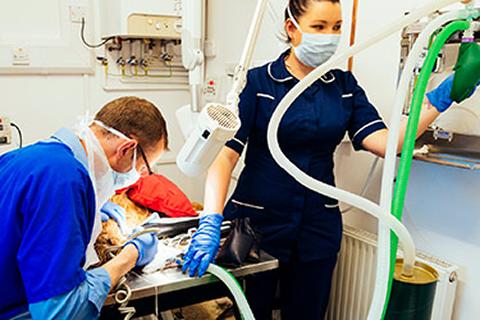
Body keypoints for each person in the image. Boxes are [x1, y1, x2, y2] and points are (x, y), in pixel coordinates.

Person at [181, 0, 480, 319]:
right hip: (257, 226)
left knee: (307, 313)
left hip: (316, 228)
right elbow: (224, 156)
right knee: (250, 312)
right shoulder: (257, 83)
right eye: (319, 27)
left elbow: (389, 143)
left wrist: (443, 95)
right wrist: (210, 220)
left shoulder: (344, 87)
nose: (329, 36)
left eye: (336, 27)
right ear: (291, 29)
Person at [0, 97, 169, 319]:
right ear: (127, 149)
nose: (139, 176)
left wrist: (89, 214)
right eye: (142, 168)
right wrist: (132, 254)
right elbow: (60, 312)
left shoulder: (20, 158)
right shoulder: (65, 179)